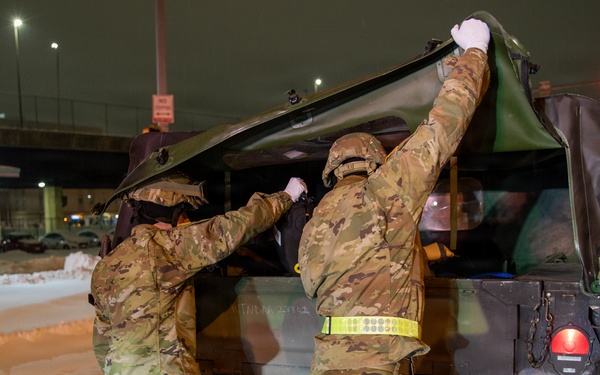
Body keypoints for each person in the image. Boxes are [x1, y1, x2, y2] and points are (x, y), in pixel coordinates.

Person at [298, 18, 491, 375]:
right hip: (375, 364)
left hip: (327, 362)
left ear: (333, 170)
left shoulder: (317, 220)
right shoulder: (386, 190)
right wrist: (475, 53)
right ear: (375, 162)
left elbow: (322, 281)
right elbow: (443, 125)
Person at [91, 172, 306, 375]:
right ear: (173, 210)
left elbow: (101, 341)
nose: (186, 220)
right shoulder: (167, 247)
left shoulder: (107, 264)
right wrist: (285, 197)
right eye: (184, 212)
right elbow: (232, 228)